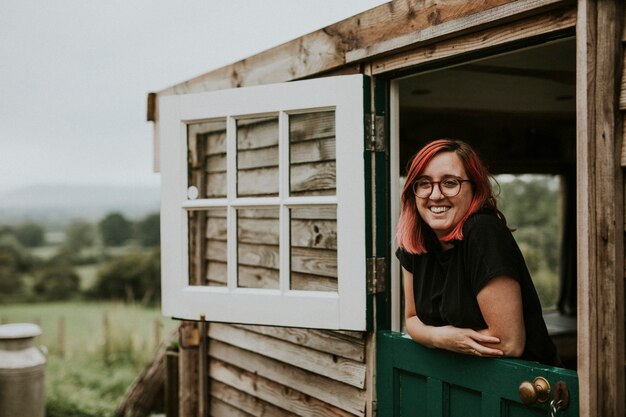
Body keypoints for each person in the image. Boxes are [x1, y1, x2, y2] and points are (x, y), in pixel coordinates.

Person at [395, 139, 558, 365]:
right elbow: (412, 319)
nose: (435, 195)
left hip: (521, 385)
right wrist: (440, 337)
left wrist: (442, 340)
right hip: (462, 380)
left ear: (475, 188)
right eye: (424, 183)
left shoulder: (483, 231)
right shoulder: (416, 239)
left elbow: (509, 343)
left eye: (450, 183)